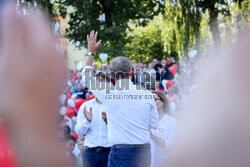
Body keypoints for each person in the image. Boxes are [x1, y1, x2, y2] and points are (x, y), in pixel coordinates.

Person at [83, 30, 159, 167]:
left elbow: (86, 77)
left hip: (121, 153)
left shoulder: (108, 93)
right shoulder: (146, 94)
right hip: (144, 152)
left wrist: (91, 52)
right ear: (132, 71)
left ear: (111, 75)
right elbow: (154, 125)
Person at [75, 96, 110, 167]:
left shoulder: (113, 106)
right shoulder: (86, 106)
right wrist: (87, 121)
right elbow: (79, 131)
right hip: (90, 153)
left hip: (109, 152)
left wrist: (108, 121)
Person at [150, 91, 178, 167]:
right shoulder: (148, 121)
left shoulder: (172, 121)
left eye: (155, 99)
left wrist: (153, 136)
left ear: (162, 102)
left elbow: (170, 145)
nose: (152, 102)